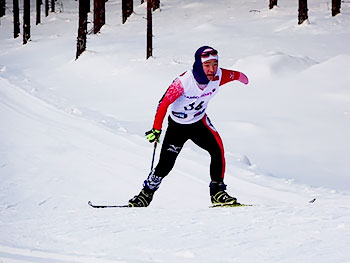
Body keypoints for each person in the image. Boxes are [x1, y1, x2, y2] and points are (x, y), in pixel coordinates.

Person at [128, 46, 249, 207]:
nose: (212, 69)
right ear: (199, 65)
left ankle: (218, 193)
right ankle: (145, 194)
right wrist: (156, 129)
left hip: (199, 123)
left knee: (217, 150)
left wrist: (243, 78)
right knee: (165, 165)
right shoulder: (184, 81)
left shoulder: (219, 75)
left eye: (215, 64)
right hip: (177, 127)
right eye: (207, 65)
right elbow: (163, 103)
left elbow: (236, 75)